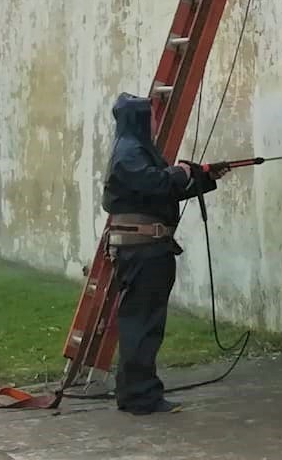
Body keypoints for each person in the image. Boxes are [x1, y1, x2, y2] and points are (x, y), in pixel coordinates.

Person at [101, 92, 230, 415]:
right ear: (140, 119)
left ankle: (133, 392)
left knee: (142, 322)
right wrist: (181, 172)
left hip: (146, 250)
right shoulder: (130, 152)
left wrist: (203, 178)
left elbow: (157, 193)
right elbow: (155, 183)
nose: (156, 122)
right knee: (142, 324)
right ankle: (141, 396)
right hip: (143, 251)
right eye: (152, 116)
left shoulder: (133, 149)